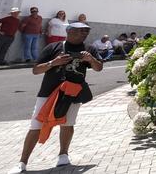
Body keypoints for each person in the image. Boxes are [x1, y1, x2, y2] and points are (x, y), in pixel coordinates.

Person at [11, 21, 103, 171]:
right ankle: (22, 162)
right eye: (81, 31)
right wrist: (54, 62)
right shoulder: (54, 47)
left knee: (68, 124)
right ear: (69, 31)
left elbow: (98, 68)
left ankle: (63, 155)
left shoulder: (89, 49)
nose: (84, 34)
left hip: (73, 93)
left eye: (86, 31)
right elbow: (36, 70)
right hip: (48, 92)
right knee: (36, 125)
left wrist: (91, 60)